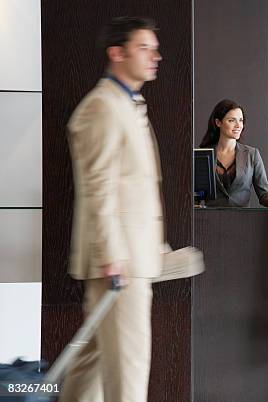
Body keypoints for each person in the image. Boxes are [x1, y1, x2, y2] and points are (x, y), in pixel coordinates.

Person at [61, 17, 164, 402]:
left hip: (130, 258)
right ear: (116, 54)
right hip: (120, 264)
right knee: (129, 376)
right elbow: (97, 187)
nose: (155, 56)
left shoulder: (125, 104)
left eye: (154, 47)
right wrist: (112, 255)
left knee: (91, 370)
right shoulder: (103, 107)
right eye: (144, 47)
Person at [199, 99, 268, 207]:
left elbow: (264, 196)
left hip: (243, 221)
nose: (238, 125)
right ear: (218, 122)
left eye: (241, 120)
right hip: (209, 220)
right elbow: (194, 195)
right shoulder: (203, 155)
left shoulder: (252, 154)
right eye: (232, 120)